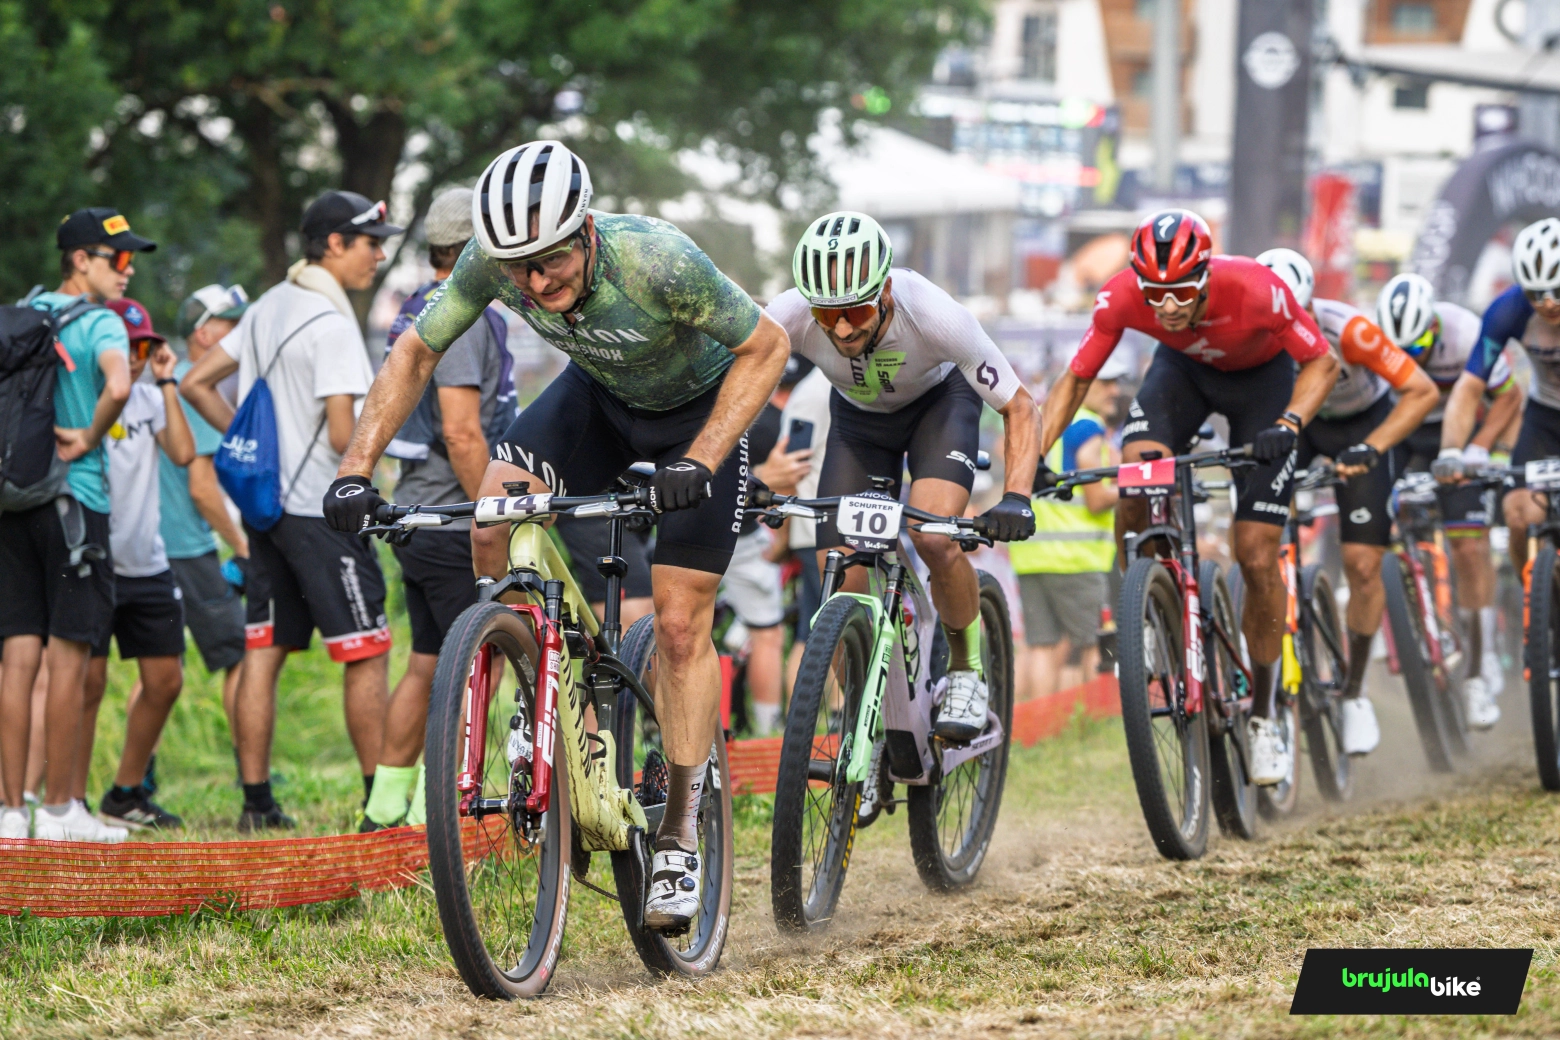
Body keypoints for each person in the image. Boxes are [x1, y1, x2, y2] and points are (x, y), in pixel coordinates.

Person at [323, 141, 791, 933]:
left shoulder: (657, 260)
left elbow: (767, 347)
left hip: (698, 415)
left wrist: (704, 459)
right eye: (519, 271)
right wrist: (355, 466)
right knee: (494, 517)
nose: (537, 284)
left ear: (586, 232)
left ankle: (679, 829)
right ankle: (541, 691)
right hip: (600, 400)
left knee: (678, 625)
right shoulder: (488, 262)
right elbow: (416, 349)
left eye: (551, 263)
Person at [1041, 210, 1339, 786]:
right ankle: (1146, 611)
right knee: (1135, 473)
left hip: (1264, 387)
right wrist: (1029, 465)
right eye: (1155, 292)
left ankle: (1264, 713)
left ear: (1205, 273)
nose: (1168, 305)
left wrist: (1291, 421)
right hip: (1182, 375)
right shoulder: (1122, 297)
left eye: (1180, 290)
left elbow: (1323, 362)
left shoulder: (1258, 289)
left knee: (1254, 552)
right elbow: (1076, 380)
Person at [767, 210, 1042, 742]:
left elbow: (1020, 406)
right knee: (837, 570)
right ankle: (860, 719)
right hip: (858, 423)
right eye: (827, 317)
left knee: (934, 536)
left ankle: (965, 668)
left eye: (857, 310)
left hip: (938, 409)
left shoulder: (937, 316)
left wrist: (1017, 496)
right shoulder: (788, 314)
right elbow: (738, 378)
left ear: (886, 289)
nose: (842, 328)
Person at [182, 190, 401, 831]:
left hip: (264, 509)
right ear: (334, 244)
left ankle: (256, 803)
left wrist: (247, 447)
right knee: (366, 649)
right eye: (370, 242)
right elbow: (343, 437)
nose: (380, 255)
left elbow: (195, 381)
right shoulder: (332, 324)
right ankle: (379, 809)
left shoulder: (269, 304)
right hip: (319, 513)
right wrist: (379, 466)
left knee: (264, 648)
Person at [360, 188, 517, 830]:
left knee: (427, 660)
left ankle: (382, 810)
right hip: (454, 519)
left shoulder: (410, 306)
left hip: (418, 513)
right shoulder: (464, 314)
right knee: (478, 661)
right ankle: (439, 818)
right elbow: (461, 431)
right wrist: (501, 514)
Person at [0, 208, 156, 840]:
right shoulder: (101, 324)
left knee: (16, 660)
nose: (128, 271)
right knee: (68, 660)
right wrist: (86, 435)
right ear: (81, 260)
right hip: (75, 504)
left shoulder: (21, 313)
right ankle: (62, 809)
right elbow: (118, 389)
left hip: (12, 506)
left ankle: (10, 812)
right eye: (117, 259)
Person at [1256, 249, 1439, 753]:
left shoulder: (1351, 330)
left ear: (1312, 306)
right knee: (1260, 544)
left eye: (1297, 317)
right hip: (1298, 425)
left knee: (1362, 565)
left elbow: (1421, 392)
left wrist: (1374, 447)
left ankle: (1354, 693)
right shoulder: (1251, 337)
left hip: (1362, 424)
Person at [1376, 272, 1522, 728]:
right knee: (1371, 519)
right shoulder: (1373, 338)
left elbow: (1508, 397)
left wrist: (1480, 449)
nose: (1411, 356)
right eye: (1401, 350)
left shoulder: (1464, 333)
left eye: (1419, 344)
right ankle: (1398, 611)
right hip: (1408, 430)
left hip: (1460, 431)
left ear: (1434, 327)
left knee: (1468, 547)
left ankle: (1479, 671)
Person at [75, 298, 195, 829]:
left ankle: (124, 793)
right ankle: (67, 802)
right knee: (86, 683)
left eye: (145, 346)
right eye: (127, 348)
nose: (137, 357)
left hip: (147, 563)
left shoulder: (149, 398)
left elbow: (185, 454)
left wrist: (168, 382)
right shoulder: (81, 400)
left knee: (166, 679)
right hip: (92, 564)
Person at [1442, 219, 1560, 706]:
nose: (1547, 303)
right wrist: (1453, 451)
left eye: (1556, 290)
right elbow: (1470, 387)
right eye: (1537, 293)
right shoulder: (1508, 310)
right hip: (1545, 416)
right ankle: (1540, 607)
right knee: (1517, 512)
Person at [162, 284, 252, 748]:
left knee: (160, 666)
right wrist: (243, 547)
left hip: (160, 544)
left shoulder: (169, 378)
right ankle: (250, 771)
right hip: (185, 544)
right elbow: (202, 488)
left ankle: (140, 780)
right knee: (241, 655)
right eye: (230, 324)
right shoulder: (190, 386)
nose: (239, 333)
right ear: (203, 333)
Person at [1012, 352, 1125, 701]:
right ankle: (1089, 725)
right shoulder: (1087, 427)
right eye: (1105, 382)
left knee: (1040, 646)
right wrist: (1132, 483)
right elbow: (1096, 498)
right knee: (1093, 644)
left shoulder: (1041, 421)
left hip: (1031, 554)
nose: (1114, 391)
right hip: (1075, 559)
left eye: (1116, 382)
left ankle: (1035, 729)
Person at [725, 353, 815, 736]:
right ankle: (767, 730)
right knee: (768, 634)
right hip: (744, 539)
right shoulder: (788, 425)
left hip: (707, 531)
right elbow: (790, 485)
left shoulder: (737, 411)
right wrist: (778, 547)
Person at [777, 364, 832, 695]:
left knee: (811, 629)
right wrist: (783, 536)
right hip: (816, 529)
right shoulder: (813, 393)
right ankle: (832, 715)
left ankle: (798, 722)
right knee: (829, 625)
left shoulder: (825, 384)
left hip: (820, 527)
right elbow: (790, 467)